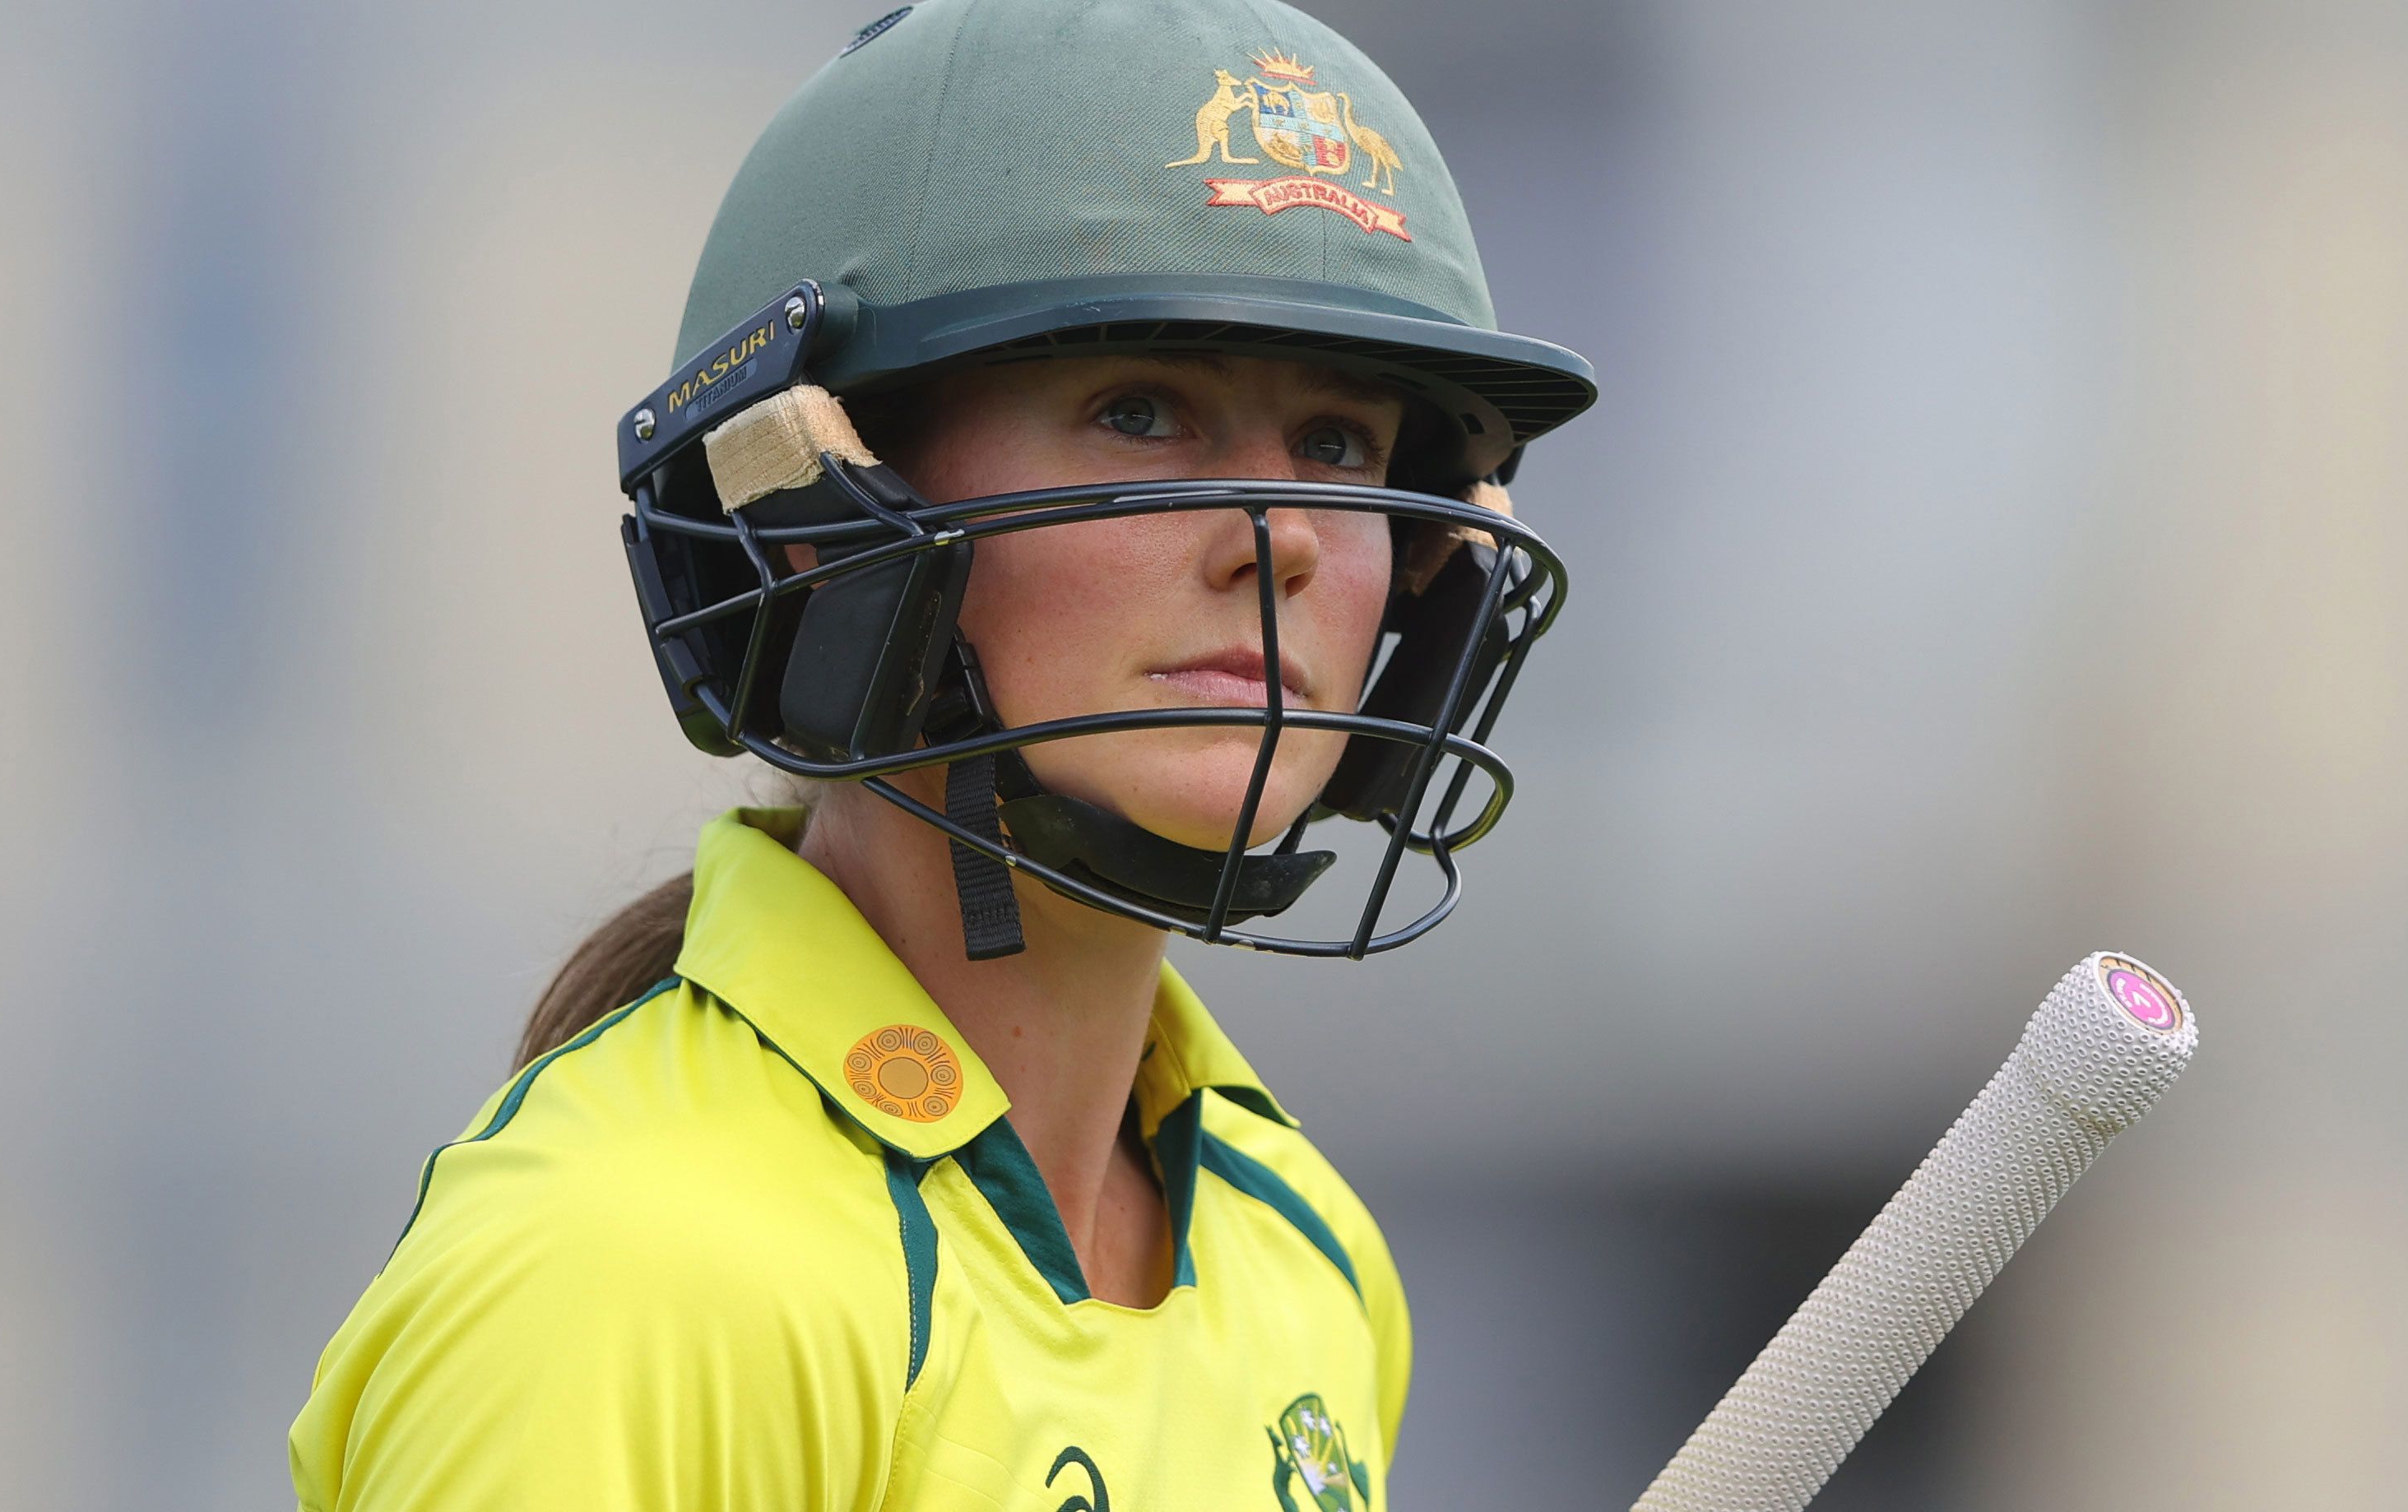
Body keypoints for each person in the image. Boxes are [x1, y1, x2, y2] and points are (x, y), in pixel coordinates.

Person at [288, 2, 1593, 1507]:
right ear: (819, 521)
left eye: (1345, 444)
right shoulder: (624, 1268)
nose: (1287, 537)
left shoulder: (1308, 1251)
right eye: (1141, 409)